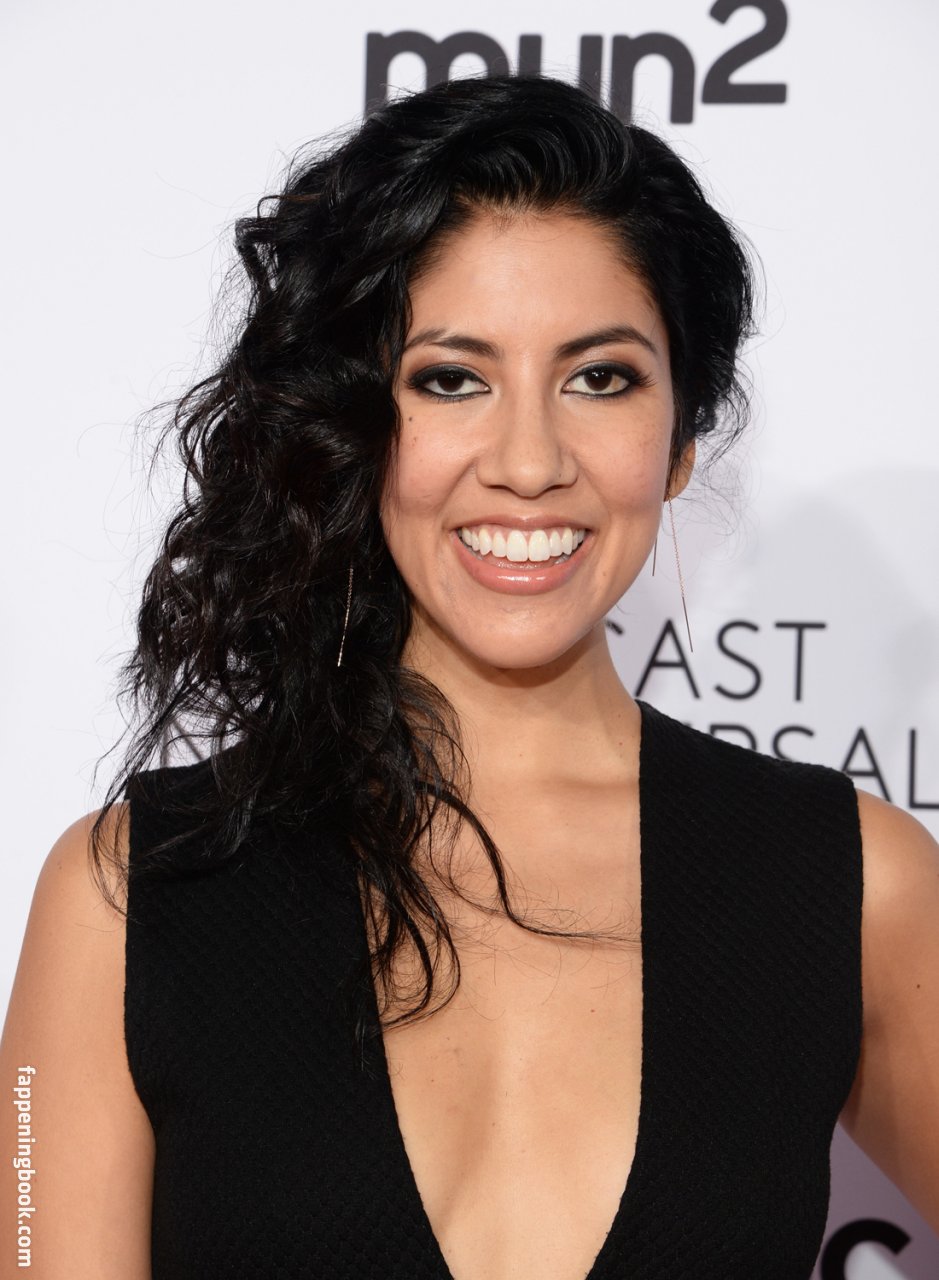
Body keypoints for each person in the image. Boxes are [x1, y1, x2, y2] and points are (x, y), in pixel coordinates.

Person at [1, 72, 937, 1280]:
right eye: (451, 378)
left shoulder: (851, 883)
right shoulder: (132, 891)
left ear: (681, 438)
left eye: (601, 377)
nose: (529, 460)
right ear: (351, 424)